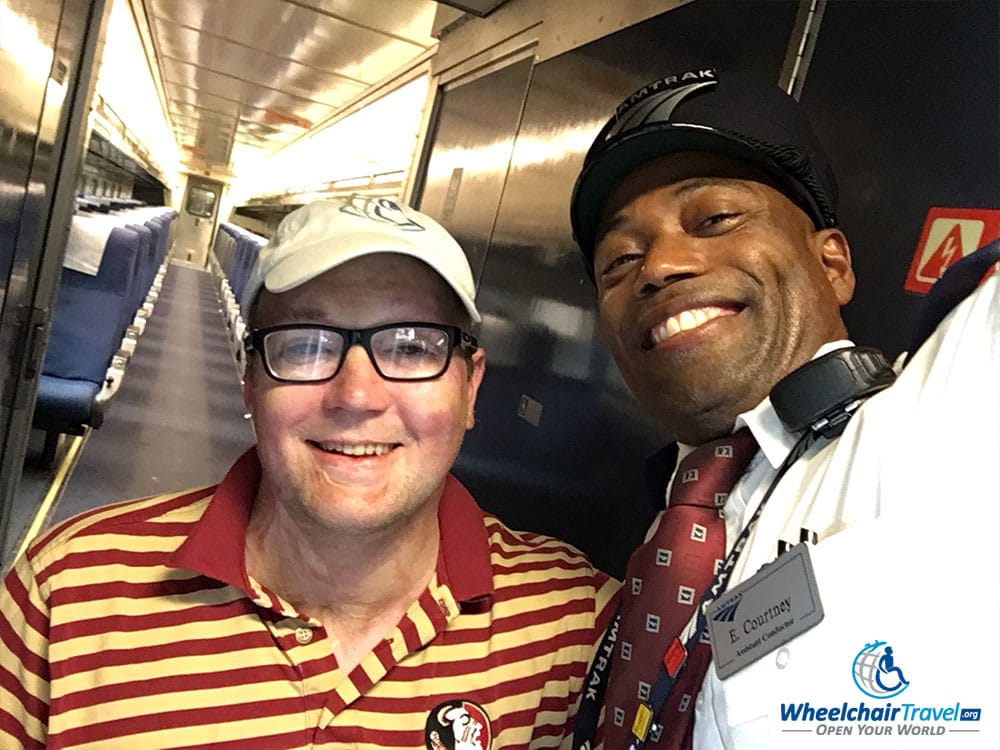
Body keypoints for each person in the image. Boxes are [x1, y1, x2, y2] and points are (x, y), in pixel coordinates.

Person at [0, 195, 619, 749]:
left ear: (470, 387)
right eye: (305, 343)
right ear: (250, 378)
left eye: (410, 346)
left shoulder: (576, 625)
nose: (357, 395)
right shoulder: (68, 592)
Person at [568, 67, 999, 748]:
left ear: (832, 265)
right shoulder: (671, 531)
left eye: (713, 218)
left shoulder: (949, 417)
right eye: (619, 260)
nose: (658, 266)